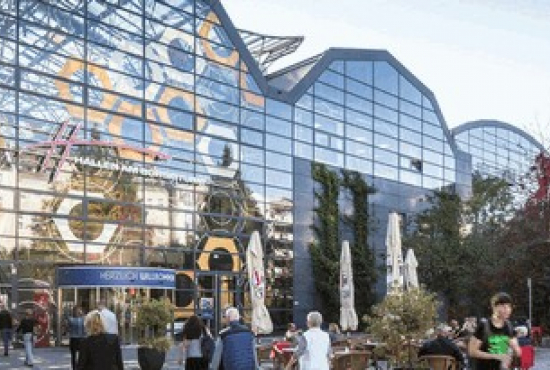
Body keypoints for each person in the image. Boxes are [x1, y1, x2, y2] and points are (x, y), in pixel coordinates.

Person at [468, 292, 522, 370]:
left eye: (509, 307)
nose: (507, 310)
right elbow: (472, 351)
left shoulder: (509, 326)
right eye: (503, 307)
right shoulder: (484, 325)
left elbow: (517, 351)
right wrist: (496, 356)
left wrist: (515, 350)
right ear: (494, 307)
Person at [66, 306, 86, 370]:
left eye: (79, 310)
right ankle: (75, 367)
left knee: (81, 355)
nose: (77, 312)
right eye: (76, 311)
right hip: (75, 339)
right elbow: (68, 328)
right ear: (74, 312)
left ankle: (79, 367)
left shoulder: (84, 319)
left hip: (81, 339)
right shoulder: (71, 319)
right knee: (74, 355)